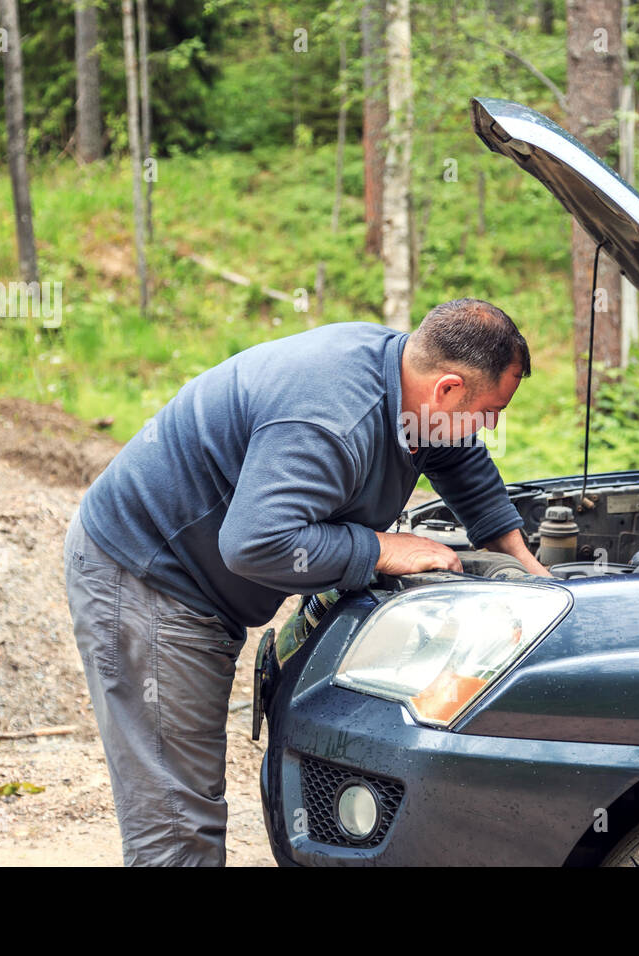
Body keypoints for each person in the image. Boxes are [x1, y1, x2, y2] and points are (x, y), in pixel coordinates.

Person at [63, 297, 550, 865]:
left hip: (198, 577)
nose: (491, 427)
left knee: (188, 799)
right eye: (490, 411)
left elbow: (457, 453)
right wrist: (380, 549)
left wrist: (520, 558)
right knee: (177, 816)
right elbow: (255, 543)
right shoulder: (331, 418)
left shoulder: (408, 379)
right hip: (149, 577)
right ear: (445, 389)